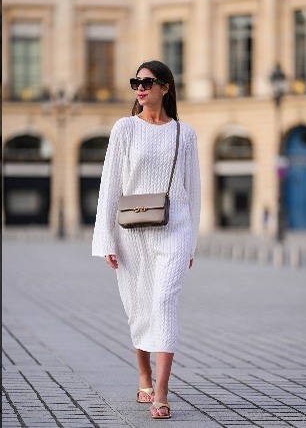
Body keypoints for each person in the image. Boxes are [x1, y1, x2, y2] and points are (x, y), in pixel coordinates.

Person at [92, 60, 201, 420]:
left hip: (175, 227)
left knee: (164, 300)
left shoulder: (185, 133)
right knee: (139, 305)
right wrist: (105, 237)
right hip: (131, 232)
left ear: (166, 87)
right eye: (135, 82)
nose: (140, 88)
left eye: (147, 82)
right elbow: (110, 184)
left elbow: (194, 191)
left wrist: (192, 243)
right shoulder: (124, 128)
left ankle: (163, 390)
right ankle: (144, 375)